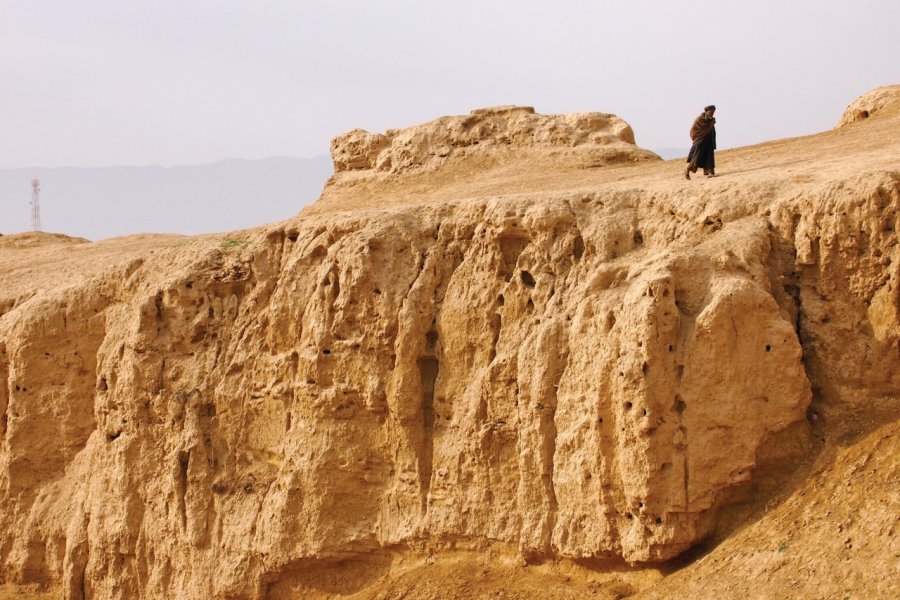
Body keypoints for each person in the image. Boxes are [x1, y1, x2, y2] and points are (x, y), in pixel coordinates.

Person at [684, 105, 717, 179]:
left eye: (713, 112)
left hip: (708, 141)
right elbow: (694, 131)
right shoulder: (699, 119)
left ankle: (711, 172)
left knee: (709, 157)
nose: (712, 113)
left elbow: (711, 130)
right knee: (696, 158)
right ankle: (687, 171)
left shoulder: (711, 120)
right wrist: (698, 139)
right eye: (710, 111)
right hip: (700, 142)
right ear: (706, 111)